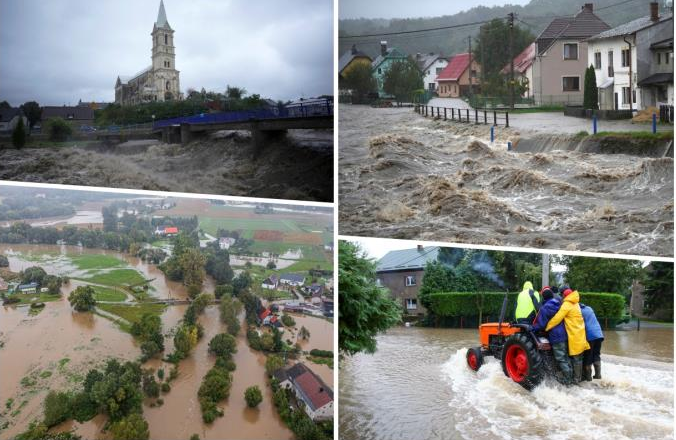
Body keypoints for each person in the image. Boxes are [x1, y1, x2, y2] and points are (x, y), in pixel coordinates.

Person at [545, 288, 589, 383]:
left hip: (574, 335)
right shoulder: (576, 303)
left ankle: (574, 379)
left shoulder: (567, 304)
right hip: (581, 333)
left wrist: (547, 327)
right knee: (579, 358)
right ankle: (578, 378)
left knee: (575, 358)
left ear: (565, 296)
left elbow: (557, 318)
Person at [532, 286, 572, 385]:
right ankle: (571, 376)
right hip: (565, 333)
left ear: (543, 298)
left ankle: (568, 380)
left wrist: (532, 328)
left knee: (560, 358)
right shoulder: (559, 304)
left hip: (556, 336)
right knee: (565, 357)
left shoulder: (545, 308)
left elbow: (542, 324)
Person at [580, 303, 604, 380]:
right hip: (599, 334)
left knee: (588, 355)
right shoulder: (589, 308)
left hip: (590, 335)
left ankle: (588, 377)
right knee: (596, 354)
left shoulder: (579, 311)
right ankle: (598, 375)